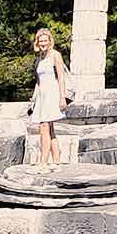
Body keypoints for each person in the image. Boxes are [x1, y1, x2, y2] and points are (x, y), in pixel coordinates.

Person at [29, 28, 69, 173]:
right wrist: (33, 98)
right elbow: (38, 81)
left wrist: (62, 97)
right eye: (41, 41)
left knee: (44, 127)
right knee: (50, 129)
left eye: (45, 40)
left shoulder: (55, 55)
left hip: (53, 94)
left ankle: (43, 162)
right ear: (37, 42)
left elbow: (61, 76)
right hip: (42, 95)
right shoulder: (40, 57)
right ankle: (57, 161)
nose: (43, 43)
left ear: (50, 41)